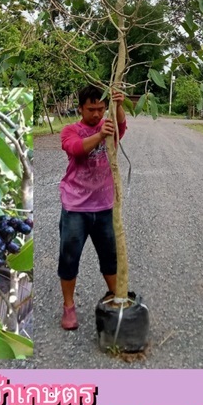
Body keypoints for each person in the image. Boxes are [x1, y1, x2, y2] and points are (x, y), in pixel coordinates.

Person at [58, 84, 127, 330]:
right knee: (69, 258)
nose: (97, 114)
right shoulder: (70, 130)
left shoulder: (108, 124)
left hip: (104, 205)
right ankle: (68, 306)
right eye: (91, 109)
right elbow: (76, 149)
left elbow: (120, 129)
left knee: (110, 257)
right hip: (75, 206)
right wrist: (100, 135)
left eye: (101, 108)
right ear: (80, 109)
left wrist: (118, 107)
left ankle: (117, 297)